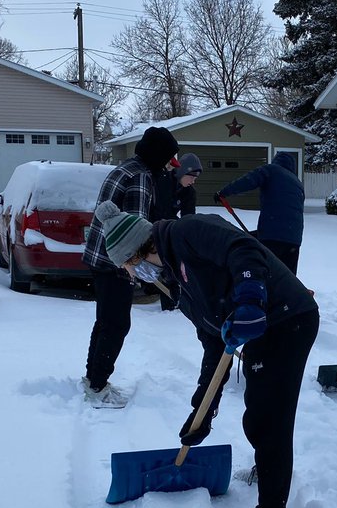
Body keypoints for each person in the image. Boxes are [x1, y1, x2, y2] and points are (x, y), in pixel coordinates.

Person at [94, 199, 319, 508]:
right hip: (260, 327)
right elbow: (214, 346)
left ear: (137, 252)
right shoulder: (178, 286)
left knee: (269, 418)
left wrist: (249, 302)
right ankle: (268, 470)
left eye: (128, 267)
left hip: (287, 318)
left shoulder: (188, 231)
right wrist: (202, 410)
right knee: (257, 412)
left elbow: (244, 249)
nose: (132, 276)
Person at [81, 126, 179, 406]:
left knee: (105, 321)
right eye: (168, 158)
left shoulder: (125, 168)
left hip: (100, 257)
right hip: (117, 262)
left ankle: (93, 379)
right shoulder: (140, 177)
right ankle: (97, 387)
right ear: (158, 155)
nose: (168, 165)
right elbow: (135, 234)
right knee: (116, 324)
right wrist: (145, 268)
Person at [214, 151, 305, 274]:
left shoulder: (271, 170)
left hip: (272, 236)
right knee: (287, 278)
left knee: (264, 273)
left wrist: (223, 192)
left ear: (276, 161)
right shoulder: (298, 183)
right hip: (294, 240)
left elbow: (247, 181)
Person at [153, 152, 203, 311]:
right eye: (191, 177)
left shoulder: (189, 192)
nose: (193, 181)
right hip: (151, 224)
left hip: (169, 226)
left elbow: (188, 217)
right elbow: (156, 209)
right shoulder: (163, 182)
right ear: (182, 172)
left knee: (172, 263)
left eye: (195, 178)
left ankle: (172, 301)